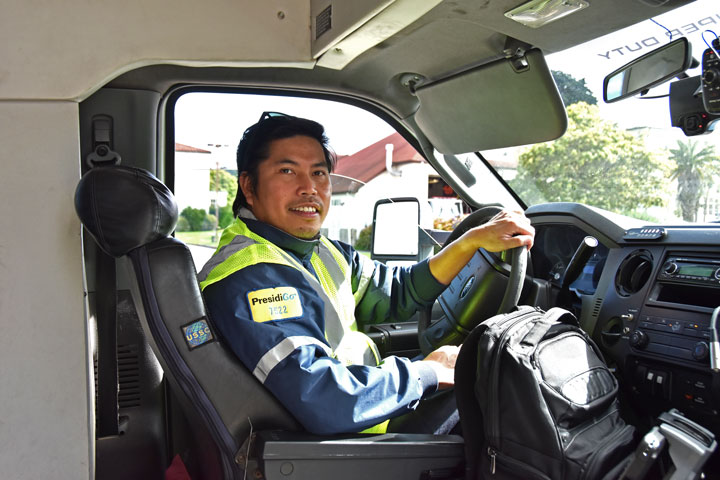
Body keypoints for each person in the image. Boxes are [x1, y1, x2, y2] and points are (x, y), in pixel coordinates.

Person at [198, 113, 534, 435]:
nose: (309, 188)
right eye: (287, 171)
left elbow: (398, 292)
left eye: (319, 173)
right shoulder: (251, 278)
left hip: (364, 410)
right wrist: (430, 371)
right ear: (249, 186)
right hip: (336, 443)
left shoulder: (318, 251)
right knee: (502, 402)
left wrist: (468, 243)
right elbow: (322, 397)